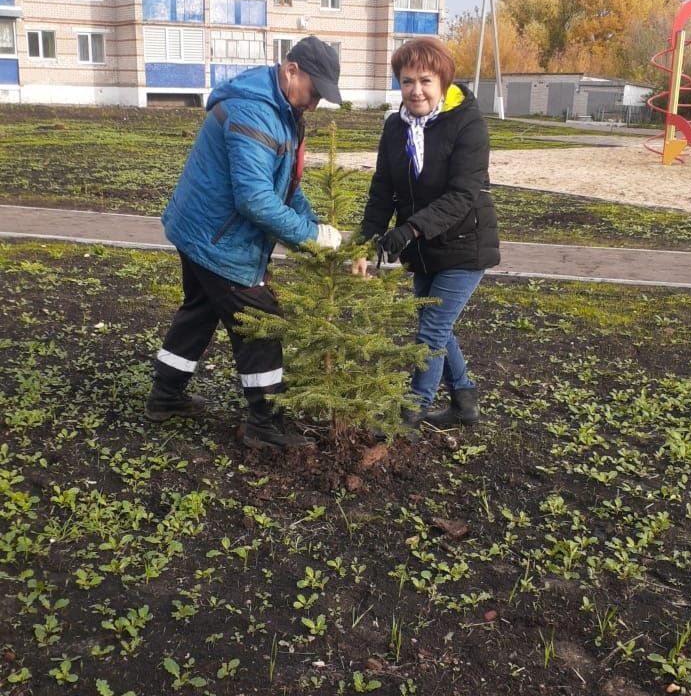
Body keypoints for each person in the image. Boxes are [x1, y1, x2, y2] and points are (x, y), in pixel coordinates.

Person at [145, 36, 343, 449]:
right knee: (261, 323)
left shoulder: (281, 108)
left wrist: (313, 224)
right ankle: (264, 424)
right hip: (218, 240)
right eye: (314, 92)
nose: (315, 104)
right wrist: (310, 236)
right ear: (292, 71)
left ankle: (165, 397)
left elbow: (284, 184)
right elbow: (254, 198)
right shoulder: (255, 111)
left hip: (198, 229)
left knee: (200, 310)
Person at [354, 36, 499, 427]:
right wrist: (367, 239)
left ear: (444, 82)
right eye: (406, 81)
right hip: (422, 251)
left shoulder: (467, 123)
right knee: (434, 325)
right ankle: (465, 402)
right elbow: (383, 188)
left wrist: (409, 230)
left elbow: (464, 193)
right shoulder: (394, 127)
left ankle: (410, 414)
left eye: (425, 81)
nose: (415, 90)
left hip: (465, 245)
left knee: (432, 331)